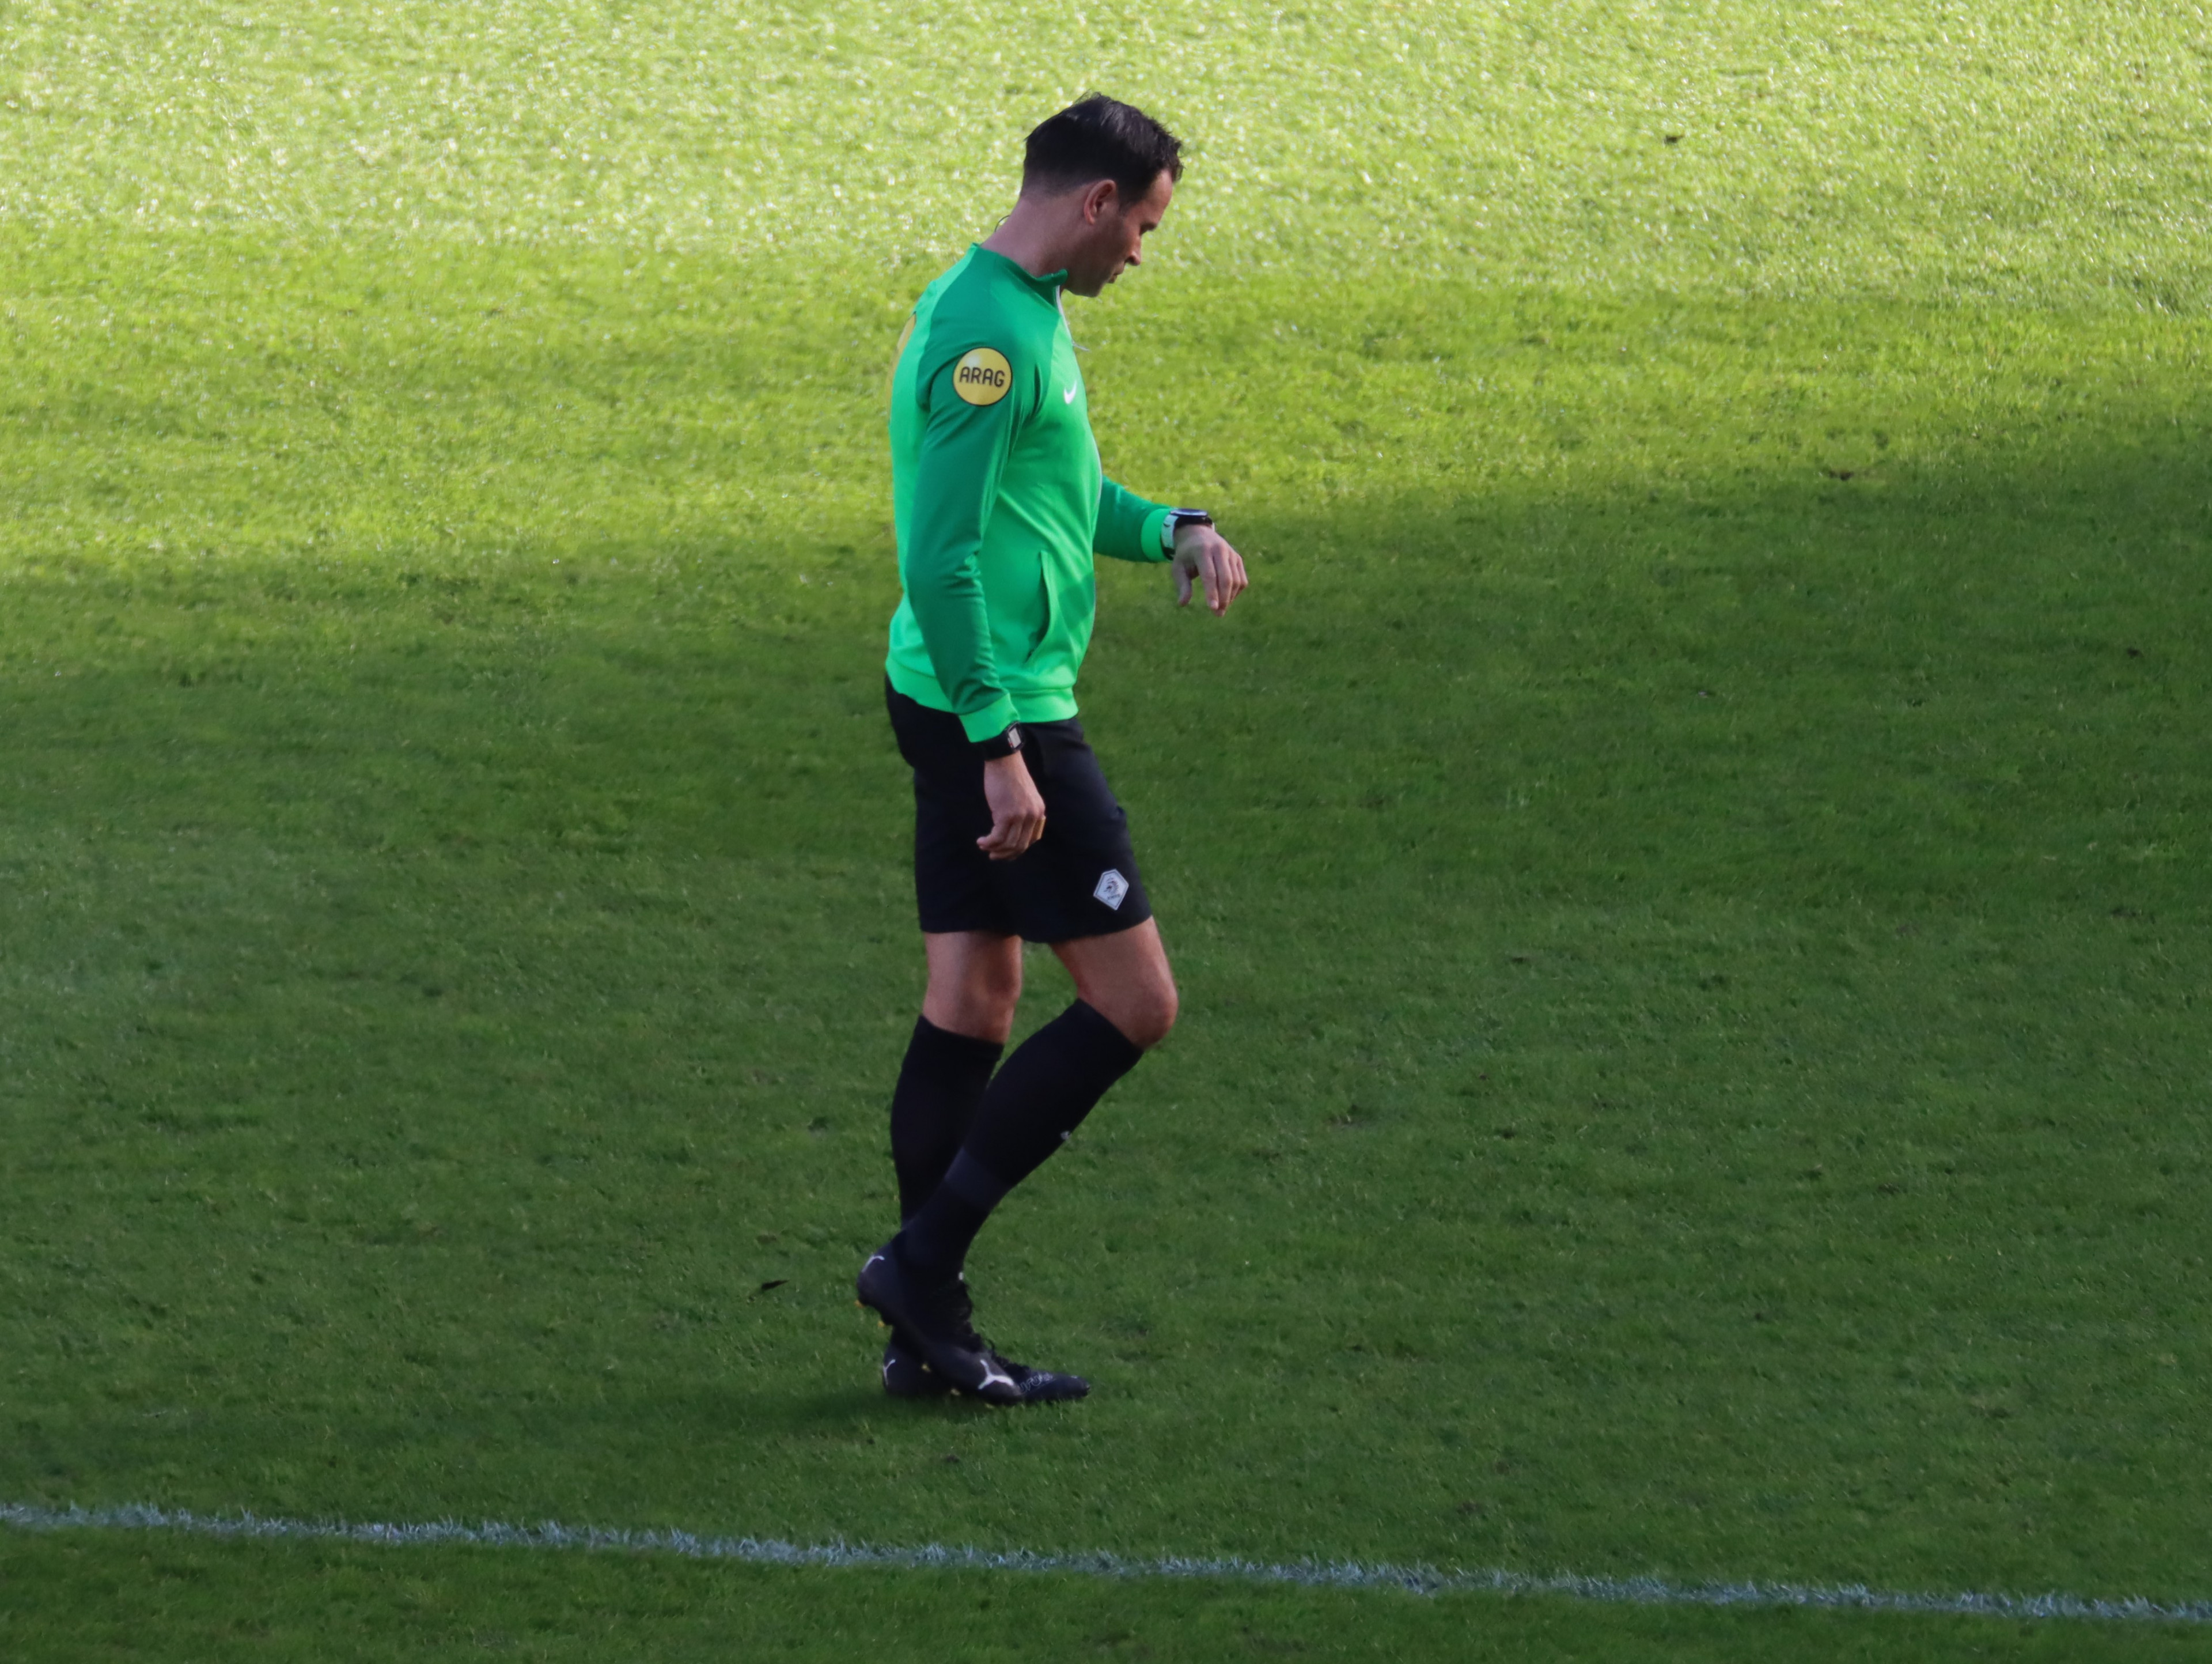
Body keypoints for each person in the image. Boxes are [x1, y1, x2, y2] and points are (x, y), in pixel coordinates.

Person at [855, 95, 1249, 1405]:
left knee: (971, 1001)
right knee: (1136, 1004)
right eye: (1141, 225)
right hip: (1000, 709)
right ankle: (921, 1271)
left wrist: (1170, 525)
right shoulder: (985, 338)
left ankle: (930, 1337)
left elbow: (1058, 494)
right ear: (1094, 204)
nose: (1140, 251)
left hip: (960, 699)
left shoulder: (1016, 314)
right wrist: (1001, 746)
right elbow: (943, 553)